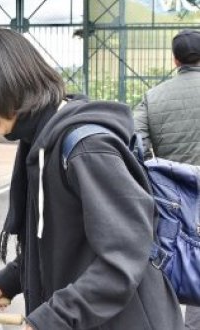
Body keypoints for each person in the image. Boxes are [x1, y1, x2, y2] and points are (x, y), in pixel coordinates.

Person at [0, 28, 183, 329]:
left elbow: (122, 261)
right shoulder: (38, 141)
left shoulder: (86, 148)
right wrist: (12, 279)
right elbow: (58, 240)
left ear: (5, 86)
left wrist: (51, 320)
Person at [133, 29, 200, 329]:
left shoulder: (152, 97)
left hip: (175, 202)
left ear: (175, 59)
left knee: (174, 266)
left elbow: (137, 148)